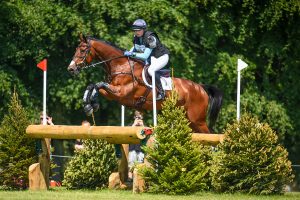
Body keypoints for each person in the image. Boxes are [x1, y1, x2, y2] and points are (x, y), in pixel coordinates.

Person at [124, 19, 170, 101]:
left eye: (139, 30)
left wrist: (132, 54)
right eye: (135, 30)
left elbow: (145, 56)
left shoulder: (150, 38)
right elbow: (135, 47)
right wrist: (128, 52)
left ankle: (161, 92)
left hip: (161, 57)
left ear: (144, 29)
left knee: (151, 70)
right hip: (152, 58)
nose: (136, 32)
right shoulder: (136, 37)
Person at [128, 111, 145, 181]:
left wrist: (142, 125)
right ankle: (130, 178)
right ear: (134, 118)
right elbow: (128, 132)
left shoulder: (144, 126)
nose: (138, 119)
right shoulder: (131, 125)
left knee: (140, 163)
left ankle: (139, 179)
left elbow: (147, 134)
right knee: (131, 164)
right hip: (132, 148)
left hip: (141, 149)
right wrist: (134, 124)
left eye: (140, 117)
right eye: (137, 117)